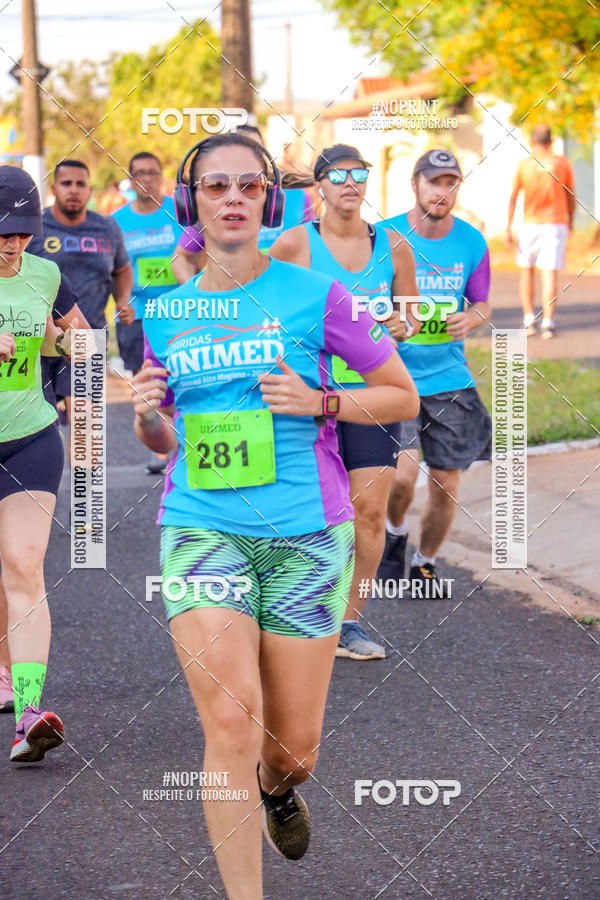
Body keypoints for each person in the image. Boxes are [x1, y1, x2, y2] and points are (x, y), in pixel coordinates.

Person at [132, 132, 418, 897]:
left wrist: (323, 400)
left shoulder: (314, 295)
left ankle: (277, 786)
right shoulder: (162, 314)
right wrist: (148, 422)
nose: (232, 198)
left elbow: (400, 394)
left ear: (270, 199)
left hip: (304, 537)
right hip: (201, 529)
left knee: (293, 749)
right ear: (193, 201)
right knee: (228, 722)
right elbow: (164, 434)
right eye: (216, 186)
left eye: (248, 186)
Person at [270, 143, 421, 660]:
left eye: (360, 173)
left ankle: (349, 623)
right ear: (320, 188)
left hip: (370, 397)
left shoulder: (394, 245)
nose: (351, 183)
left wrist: (406, 322)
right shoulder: (295, 244)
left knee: (370, 514)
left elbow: (411, 310)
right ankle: (293, 612)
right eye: (339, 176)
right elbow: (261, 300)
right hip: (309, 397)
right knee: (307, 513)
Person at [377, 149, 491, 594]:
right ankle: (394, 529)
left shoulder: (471, 241)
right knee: (402, 477)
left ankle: (425, 562)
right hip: (393, 375)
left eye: (451, 183)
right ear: (415, 184)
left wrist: (475, 318)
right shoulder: (384, 236)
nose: (442, 192)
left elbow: (481, 301)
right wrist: (388, 321)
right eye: (434, 182)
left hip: (450, 379)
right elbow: (360, 294)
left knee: (445, 481)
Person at [0, 165, 81, 760]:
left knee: (23, 566)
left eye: (24, 233)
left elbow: (86, 342)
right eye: (3, 234)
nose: (14, 245)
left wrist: (85, 400)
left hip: (30, 435)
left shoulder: (46, 274)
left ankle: (29, 712)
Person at [28, 159, 132, 461]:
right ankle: (39, 504)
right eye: (66, 183)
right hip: (38, 341)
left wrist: (123, 299)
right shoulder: (35, 228)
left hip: (88, 337)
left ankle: (84, 509)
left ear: (89, 189)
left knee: (85, 431)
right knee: (39, 433)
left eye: (80, 184)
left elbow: (122, 270)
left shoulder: (107, 227)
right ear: (54, 188)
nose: (73, 190)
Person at [171, 124, 315, 284]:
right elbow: (181, 257)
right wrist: (197, 299)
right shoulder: (214, 203)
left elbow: (314, 252)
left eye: (254, 152)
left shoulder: (299, 197)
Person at [113, 151, 182, 473]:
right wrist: (121, 300)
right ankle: (159, 446)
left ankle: (182, 438)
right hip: (138, 314)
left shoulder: (179, 213)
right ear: (131, 178)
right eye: (140, 173)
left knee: (182, 374)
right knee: (146, 376)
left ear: (161, 176)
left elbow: (196, 257)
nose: (147, 179)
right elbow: (113, 270)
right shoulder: (118, 222)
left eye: (153, 172)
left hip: (180, 310)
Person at [507, 124, 575, 339]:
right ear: (551, 141)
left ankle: (529, 319)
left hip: (530, 224)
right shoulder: (562, 163)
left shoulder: (524, 165)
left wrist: (509, 225)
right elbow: (570, 195)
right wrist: (570, 220)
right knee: (549, 272)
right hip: (556, 222)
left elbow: (513, 197)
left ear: (532, 142)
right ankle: (548, 323)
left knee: (526, 270)